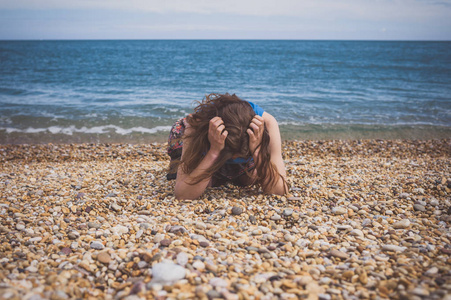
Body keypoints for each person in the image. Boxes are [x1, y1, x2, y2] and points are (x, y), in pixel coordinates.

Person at [167, 93, 287, 200]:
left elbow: (279, 191)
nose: (234, 157)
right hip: (204, 146)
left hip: (245, 155)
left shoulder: (268, 124)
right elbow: (182, 194)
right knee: (200, 180)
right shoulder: (196, 126)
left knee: (251, 178)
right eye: (232, 155)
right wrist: (214, 152)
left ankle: (227, 174)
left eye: (238, 155)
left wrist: (256, 151)